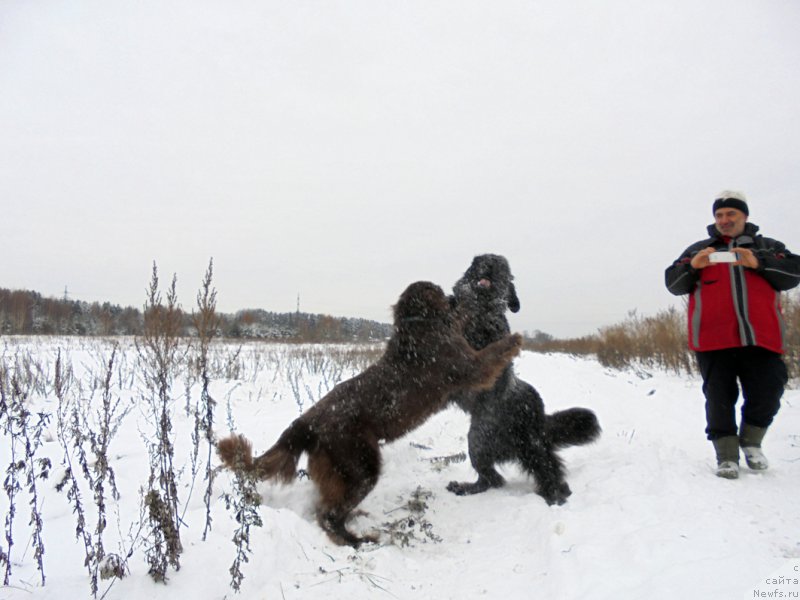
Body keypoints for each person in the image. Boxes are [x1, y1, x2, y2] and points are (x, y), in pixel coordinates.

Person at [665, 191, 800, 479]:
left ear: (744, 216)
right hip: (713, 339)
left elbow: (794, 273)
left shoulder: (768, 246)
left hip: (761, 337)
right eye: (719, 215)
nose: (724, 220)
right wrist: (693, 266)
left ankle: (751, 441)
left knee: (769, 390)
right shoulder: (699, 249)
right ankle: (726, 455)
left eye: (731, 214)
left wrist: (758, 262)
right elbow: (673, 283)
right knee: (719, 398)